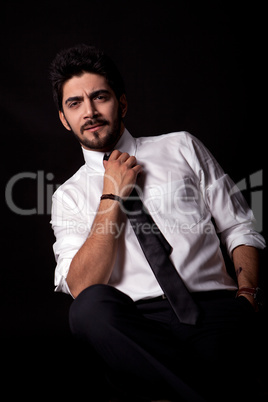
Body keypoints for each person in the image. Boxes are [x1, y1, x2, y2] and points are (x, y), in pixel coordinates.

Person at [49, 44, 266, 401]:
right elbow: (82, 286)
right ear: (63, 118)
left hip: (214, 308)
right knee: (89, 309)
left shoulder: (181, 147)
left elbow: (238, 226)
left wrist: (248, 296)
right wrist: (112, 196)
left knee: (187, 368)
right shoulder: (68, 197)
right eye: (75, 104)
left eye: (100, 97)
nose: (89, 111)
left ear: (122, 102)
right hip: (136, 325)